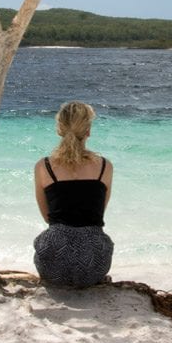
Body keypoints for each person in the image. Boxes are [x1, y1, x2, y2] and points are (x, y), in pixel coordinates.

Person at [33, 101, 114, 287]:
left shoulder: (43, 167)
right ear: (88, 131)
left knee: (48, 238)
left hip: (53, 265)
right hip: (93, 264)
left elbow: (48, 217)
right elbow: (97, 215)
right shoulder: (104, 167)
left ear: (59, 129)